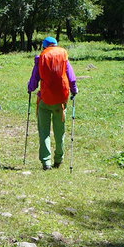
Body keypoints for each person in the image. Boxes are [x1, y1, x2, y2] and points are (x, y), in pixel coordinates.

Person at [27, 36, 77, 170]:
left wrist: (30, 88)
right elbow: (71, 76)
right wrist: (74, 90)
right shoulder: (63, 55)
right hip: (60, 100)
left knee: (44, 132)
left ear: (44, 47)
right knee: (59, 131)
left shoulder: (41, 58)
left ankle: (46, 162)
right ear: (56, 45)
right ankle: (59, 159)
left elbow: (34, 78)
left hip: (45, 99)